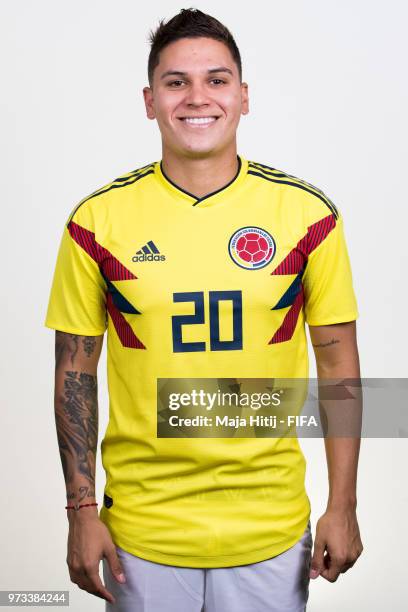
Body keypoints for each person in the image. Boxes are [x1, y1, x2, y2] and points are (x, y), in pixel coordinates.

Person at [44, 8, 363, 611]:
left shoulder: (307, 215)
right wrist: (81, 510)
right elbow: (74, 374)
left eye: (217, 80)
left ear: (244, 96)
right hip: (141, 532)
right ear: (149, 100)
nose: (197, 97)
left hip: (268, 529)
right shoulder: (96, 222)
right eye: (175, 82)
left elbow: (339, 364)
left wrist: (342, 505)